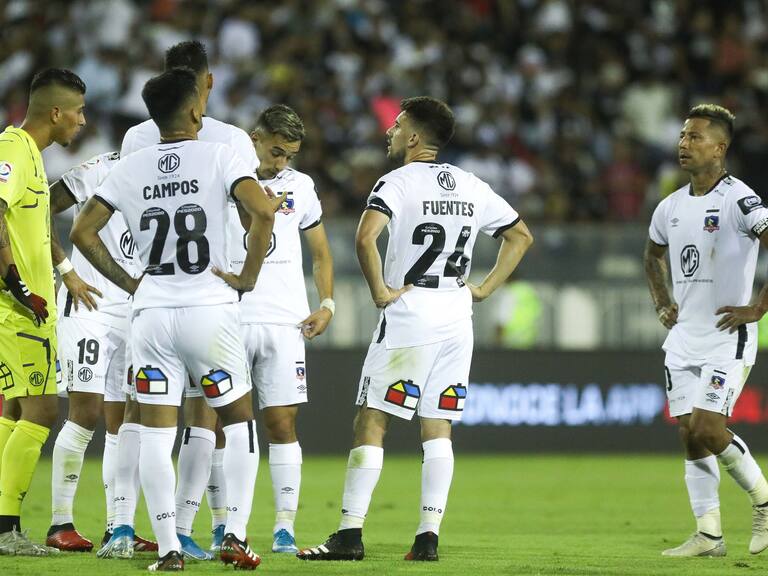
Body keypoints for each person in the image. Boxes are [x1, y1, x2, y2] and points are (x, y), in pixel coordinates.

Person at [297, 96, 533, 561]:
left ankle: (349, 534)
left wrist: (380, 291)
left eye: (398, 124)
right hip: (457, 312)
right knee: (438, 425)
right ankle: (428, 538)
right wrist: (484, 289)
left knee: (372, 418)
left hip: (411, 310)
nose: (390, 130)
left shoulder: (397, 182)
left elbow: (365, 237)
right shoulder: (471, 184)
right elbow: (521, 235)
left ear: (415, 137)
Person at [70, 67, 277, 571]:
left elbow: (81, 232)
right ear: (194, 110)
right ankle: (235, 534)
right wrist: (248, 276)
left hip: (152, 316)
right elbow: (264, 212)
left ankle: (167, 550)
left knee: (156, 435)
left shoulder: (130, 166)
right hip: (209, 312)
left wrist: (131, 283)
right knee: (239, 422)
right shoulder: (221, 155)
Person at [644, 104, 768, 557]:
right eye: (682, 135)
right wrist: (662, 301)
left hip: (725, 335)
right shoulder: (670, 206)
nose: (684, 144)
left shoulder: (740, 199)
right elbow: (652, 255)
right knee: (689, 433)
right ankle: (709, 534)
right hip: (683, 338)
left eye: (695, 137)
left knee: (709, 428)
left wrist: (759, 307)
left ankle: (764, 501)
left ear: (720, 148)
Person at [227, 104, 334, 554]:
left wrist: (326, 303)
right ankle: (223, 525)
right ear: (255, 138)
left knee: (282, 422)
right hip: (228, 316)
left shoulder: (300, 186)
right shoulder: (223, 174)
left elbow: (321, 254)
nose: (282, 163)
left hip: (284, 319)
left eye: (289, 155)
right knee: (225, 425)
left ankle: (284, 526)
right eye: (276, 152)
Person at [45, 152, 156, 553]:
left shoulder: (164, 169)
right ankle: (60, 522)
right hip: (88, 303)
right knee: (86, 411)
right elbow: (40, 208)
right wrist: (66, 271)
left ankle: (118, 526)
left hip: (134, 308)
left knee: (124, 420)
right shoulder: (98, 169)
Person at [0, 68, 86, 555]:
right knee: (43, 409)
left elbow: (31, 225)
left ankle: (2, 523)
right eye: (78, 111)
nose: (82, 121)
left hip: (27, 305)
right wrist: (15, 282)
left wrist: (65, 270)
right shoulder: (12, 150)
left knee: (15, 409)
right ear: (56, 113)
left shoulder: (32, 154)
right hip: (18, 309)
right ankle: (5, 529)